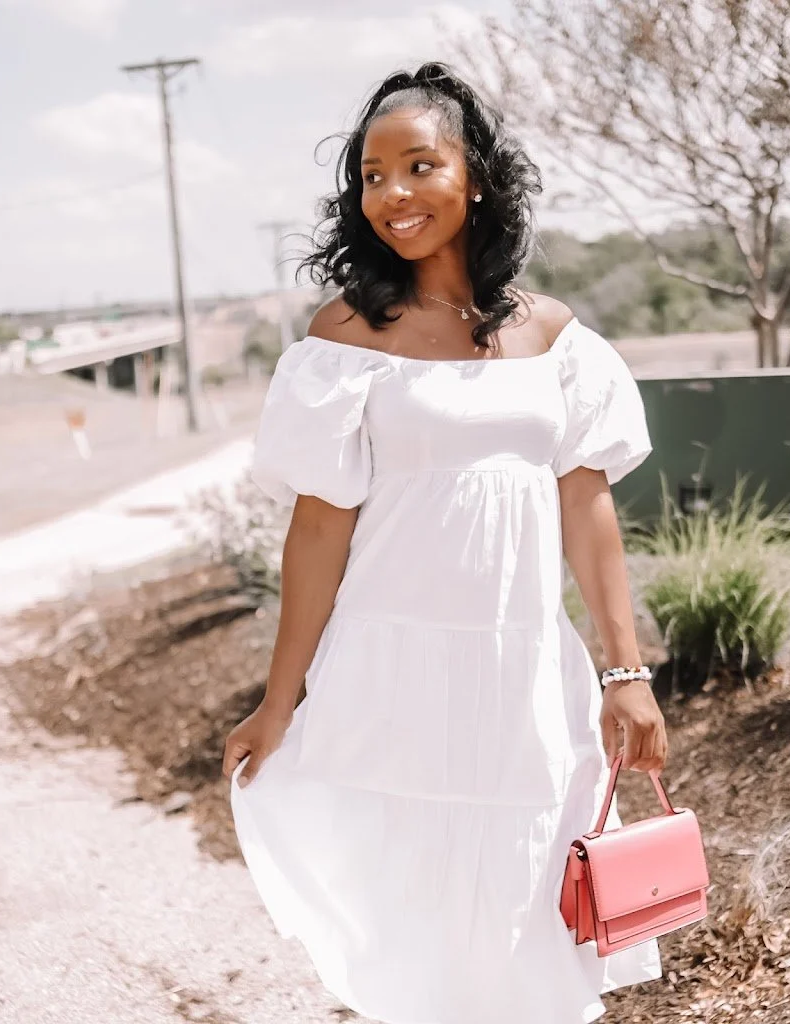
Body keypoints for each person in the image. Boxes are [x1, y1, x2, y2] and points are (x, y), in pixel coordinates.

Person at [222, 61, 669, 1024]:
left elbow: (588, 515)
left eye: (418, 166)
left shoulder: (554, 339)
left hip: (521, 669)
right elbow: (317, 530)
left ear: (475, 176)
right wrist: (279, 698)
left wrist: (624, 674)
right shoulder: (346, 337)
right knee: (411, 899)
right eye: (372, 177)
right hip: (391, 668)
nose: (392, 196)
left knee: (528, 891)